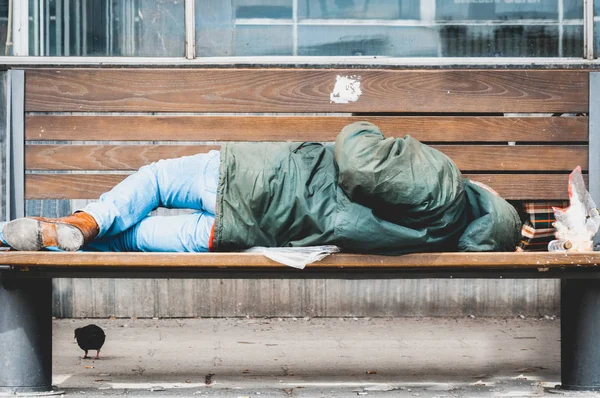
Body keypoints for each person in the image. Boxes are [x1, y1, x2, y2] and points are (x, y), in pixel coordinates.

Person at [0, 122, 522, 254]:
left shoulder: (444, 186)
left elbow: (359, 162)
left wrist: (366, 130)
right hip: (254, 233)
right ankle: (57, 235)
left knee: (156, 178)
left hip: (260, 180)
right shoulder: (438, 238)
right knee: (131, 240)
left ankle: (77, 223)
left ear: (487, 198)